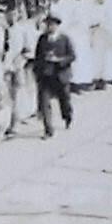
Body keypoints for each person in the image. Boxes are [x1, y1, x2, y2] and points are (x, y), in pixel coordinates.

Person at [33, 10, 75, 138]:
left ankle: (67, 116)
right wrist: (38, 70)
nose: (50, 27)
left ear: (57, 25)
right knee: (44, 101)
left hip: (61, 75)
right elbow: (37, 56)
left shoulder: (65, 39)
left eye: (53, 24)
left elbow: (72, 56)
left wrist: (60, 60)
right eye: (48, 24)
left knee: (64, 99)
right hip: (46, 76)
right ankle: (48, 129)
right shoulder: (42, 39)